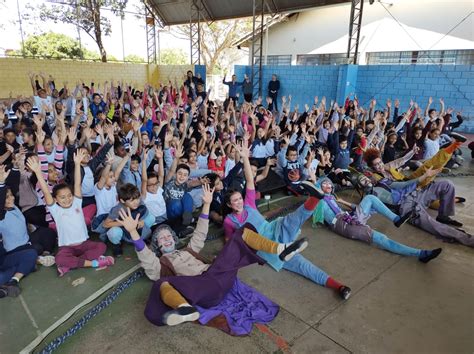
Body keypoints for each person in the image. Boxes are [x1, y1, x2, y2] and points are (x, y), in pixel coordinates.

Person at [119, 184, 307, 332]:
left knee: (241, 233)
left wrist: (207, 203)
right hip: (202, 289)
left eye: (169, 236)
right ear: (157, 246)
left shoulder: (188, 250)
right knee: (161, 284)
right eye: (162, 238)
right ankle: (185, 309)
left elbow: (200, 233)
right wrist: (133, 233)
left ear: (175, 239)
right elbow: (146, 258)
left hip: (220, 275)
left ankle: (281, 249)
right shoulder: (160, 263)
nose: (167, 239)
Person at [224, 142, 352, 300]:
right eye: (234, 201)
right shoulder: (229, 220)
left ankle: (315, 197)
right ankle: (339, 286)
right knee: (304, 267)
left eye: (239, 199)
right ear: (229, 204)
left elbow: (250, 181)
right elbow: (229, 240)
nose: (238, 202)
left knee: (294, 218)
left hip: (274, 228)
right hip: (267, 248)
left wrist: (245, 159)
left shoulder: (249, 203)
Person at [311, 176, 442, 262]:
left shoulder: (332, 198)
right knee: (381, 238)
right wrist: (314, 182)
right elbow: (315, 200)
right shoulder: (320, 201)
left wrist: (343, 202)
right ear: (319, 188)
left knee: (370, 199)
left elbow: (352, 209)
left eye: (329, 183)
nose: (328, 185)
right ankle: (420, 254)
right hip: (346, 225)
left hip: (350, 217)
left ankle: (397, 219)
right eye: (324, 184)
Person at [28, 151, 114, 277]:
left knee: (101, 247)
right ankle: (94, 263)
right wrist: (37, 172)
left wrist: (78, 164)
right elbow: (46, 192)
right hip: (67, 248)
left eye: (69, 196)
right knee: (59, 259)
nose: (67, 199)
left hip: (84, 244)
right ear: (56, 200)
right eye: (62, 197)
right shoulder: (55, 210)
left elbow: (77, 184)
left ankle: (71, 264)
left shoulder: (77, 203)